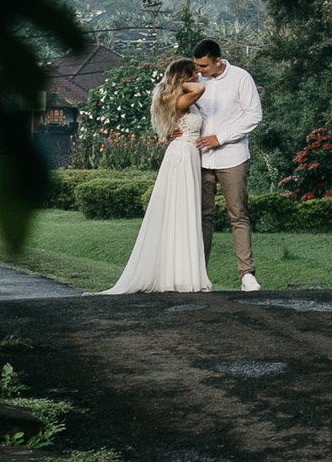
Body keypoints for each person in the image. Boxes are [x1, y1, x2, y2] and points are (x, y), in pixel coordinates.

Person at [98, 60, 212, 295]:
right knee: (179, 213)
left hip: (186, 154)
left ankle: (181, 272)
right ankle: (179, 276)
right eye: (194, 73)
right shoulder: (182, 99)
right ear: (184, 77)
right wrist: (184, 84)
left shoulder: (179, 100)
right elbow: (200, 89)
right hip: (181, 156)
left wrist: (180, 84)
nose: (199, 76)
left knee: (183, 213)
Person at [191, 38, 264, 291]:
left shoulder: (241, 78)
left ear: (218, 61)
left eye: (203, 66)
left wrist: (219, 138)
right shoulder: (196, 80)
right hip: (200, 160)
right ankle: (199, 275)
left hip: (232, 157)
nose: (199, 70)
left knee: (238, 215)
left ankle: (247, 275)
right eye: (197, 66)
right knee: (201, 217)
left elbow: (254, 115)